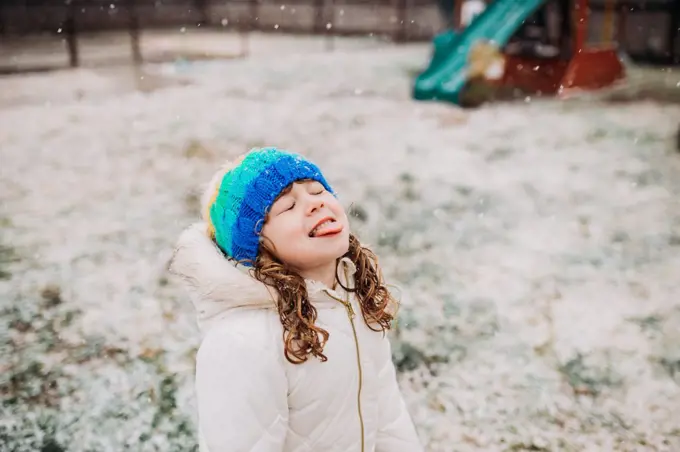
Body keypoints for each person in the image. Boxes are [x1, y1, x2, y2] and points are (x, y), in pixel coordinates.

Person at [169, 147, 423, 452]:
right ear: (256, 246)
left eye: (317, 191)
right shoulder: (243, 342)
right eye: (288, 206)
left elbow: (388, 417)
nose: (314, 204)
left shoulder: (352, 297)